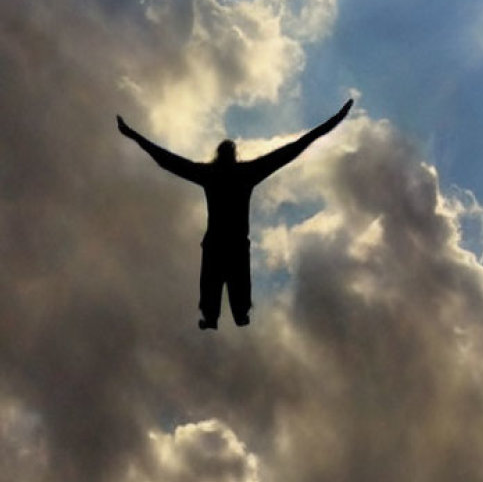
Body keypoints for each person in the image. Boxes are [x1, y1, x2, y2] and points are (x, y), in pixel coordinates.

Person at [117, 99, 353, 329]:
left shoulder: (213, 174)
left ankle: (221, 315)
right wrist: (335, 121)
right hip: (233, 243)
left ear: (218, 156)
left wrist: (134, 135)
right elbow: (295, 148)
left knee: (217, 278)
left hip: (221, 242)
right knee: (226, 278)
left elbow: (168, 161)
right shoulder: (243, 173)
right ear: (233, 156)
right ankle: (231, 314)